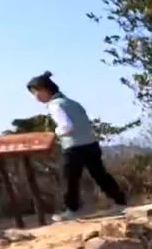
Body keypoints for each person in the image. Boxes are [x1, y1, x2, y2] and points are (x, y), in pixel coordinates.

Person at [26, 71, 128, 222]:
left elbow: (67, 126)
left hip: (74, 147)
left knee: (70, 179)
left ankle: (73, 209)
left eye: (35, 92)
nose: (35, 97)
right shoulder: (72, 102)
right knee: (100, 175)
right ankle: (120, 202)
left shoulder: (55, 106)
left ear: (45, 90)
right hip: (91, 143)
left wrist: (56, 132)